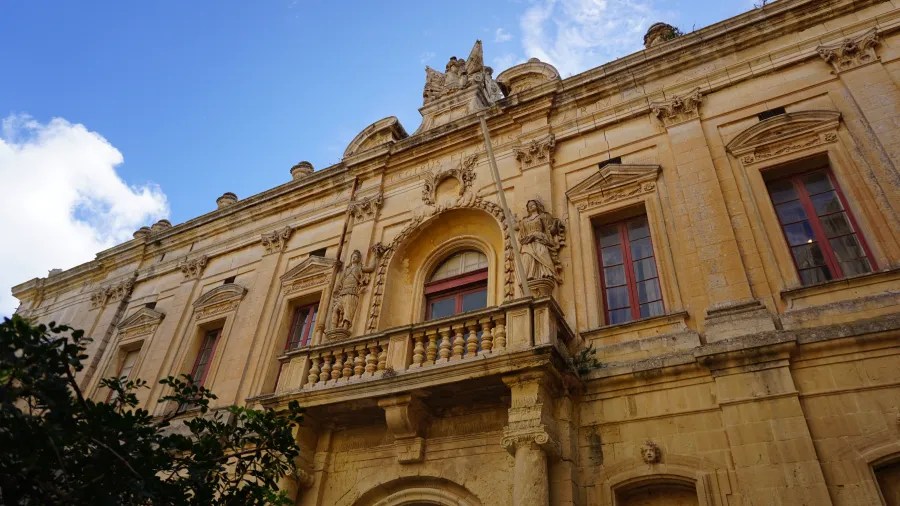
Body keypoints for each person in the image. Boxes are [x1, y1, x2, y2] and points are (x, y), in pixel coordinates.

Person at [330, 250, 376, 330]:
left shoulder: (359, 267)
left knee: (348, 310)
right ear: (351, 258)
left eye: (356, 257)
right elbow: (339, 281)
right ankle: (333, 327)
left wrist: (376, 256)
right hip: (343, 292)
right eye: (353, 256)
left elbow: (371, 268)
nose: (354, 258)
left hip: (352, 291)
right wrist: (336, 290)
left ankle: (345, 327)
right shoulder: (346, 270)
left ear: (359, 259)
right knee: (335, 309)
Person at [519, 200, 563, 282]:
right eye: (529, 205)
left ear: (537, 205)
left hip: (540, 239)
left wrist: (556, 224)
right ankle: (530, 275)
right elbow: (521, 235)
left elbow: (548, 230)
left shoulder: (541, 217)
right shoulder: (525, 221)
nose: (531, 206)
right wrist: (527, 238)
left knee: (542, 253)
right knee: (528, 257)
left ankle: (546, 274)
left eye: (533, 204)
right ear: (528, 209)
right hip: (528, 242)